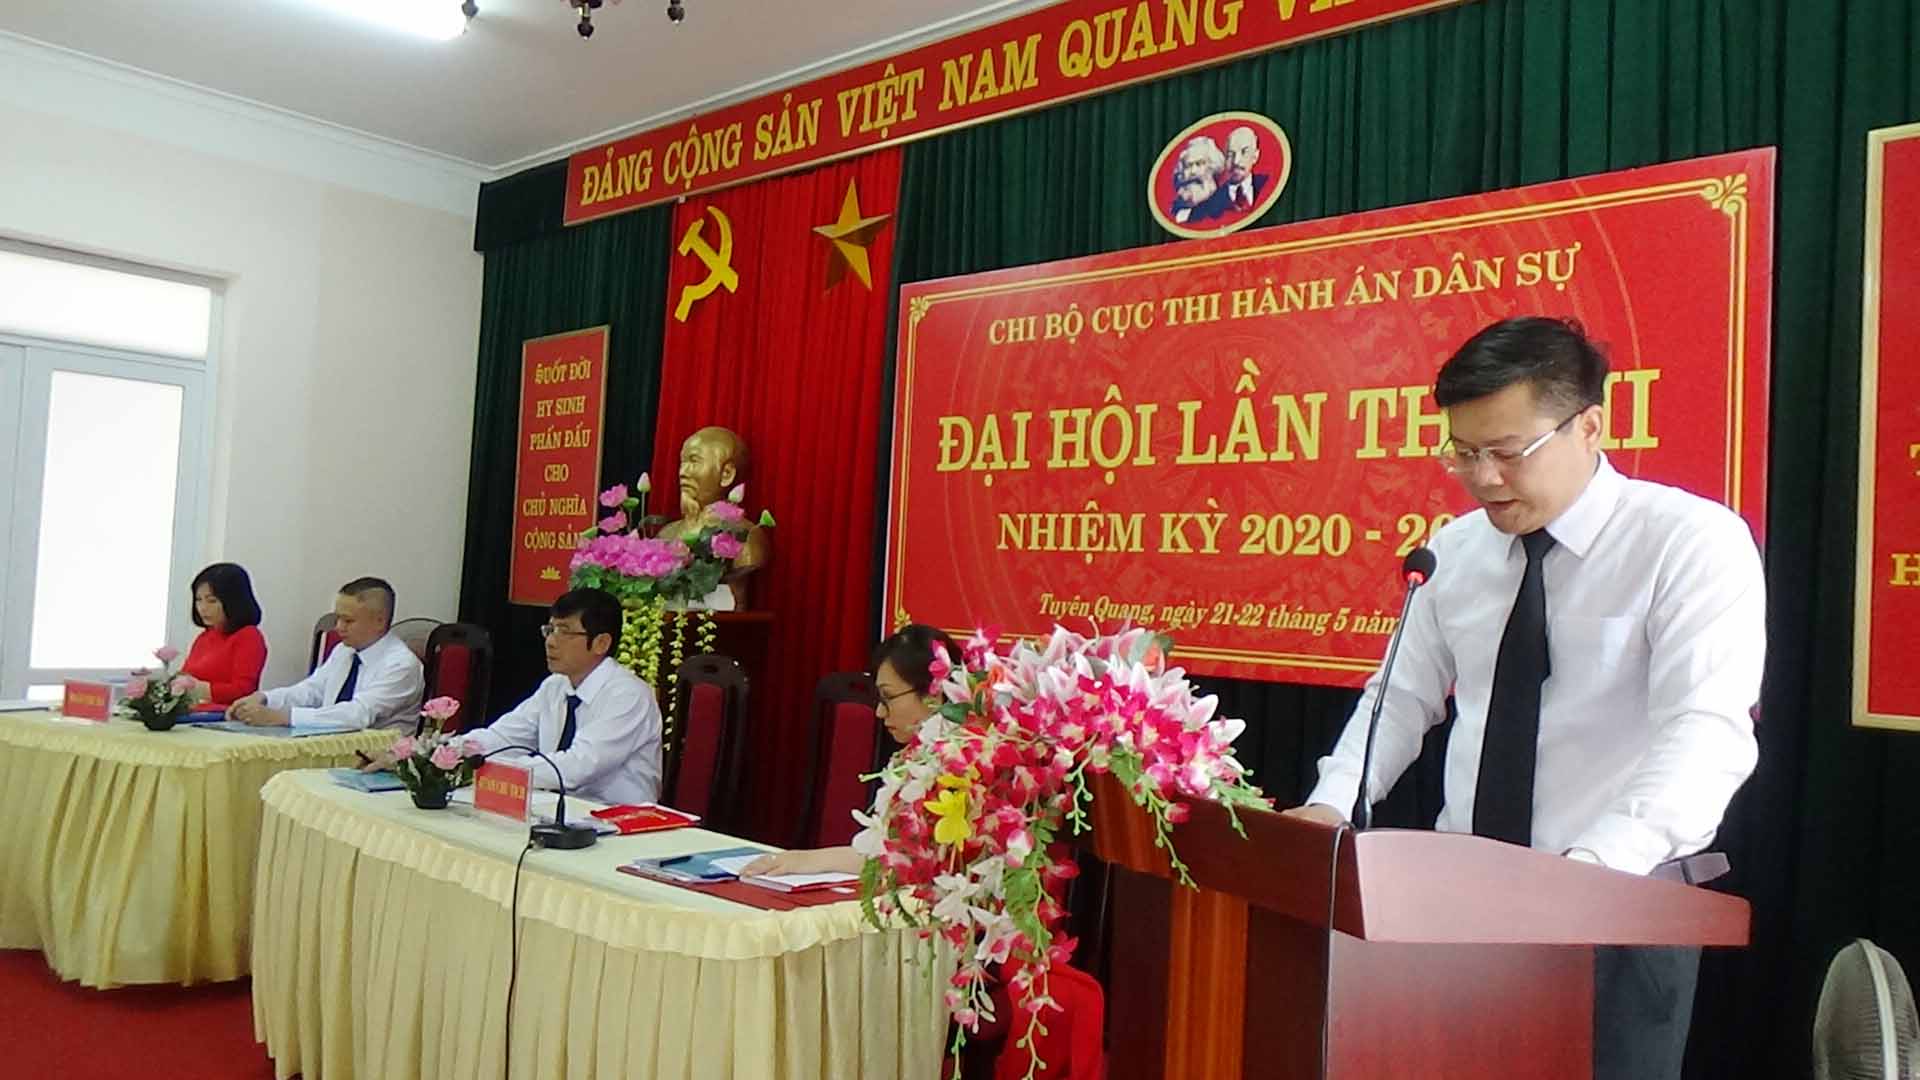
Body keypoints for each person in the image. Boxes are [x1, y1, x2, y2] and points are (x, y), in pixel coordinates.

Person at [1286, 316, 1765, 1080]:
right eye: (1464, 452)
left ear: (1589, 427)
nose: (1484, 479)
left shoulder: (1689, 542)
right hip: (1458, 908)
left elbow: (1706, 731)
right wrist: (1332, 805)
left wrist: (1587, 871)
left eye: (1508, 453)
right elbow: (1399, 699)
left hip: (1619, 908)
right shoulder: (1454, 552)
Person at [740, 623, 958, 878]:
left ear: (935, 693)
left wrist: (809, 860)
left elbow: (915, 862)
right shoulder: (913, 756)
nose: (879, 712)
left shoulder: (965, 768)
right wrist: (804, 860)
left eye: (888, 697)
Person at [459, 587, 662, 805]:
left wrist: (493, 769)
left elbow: (577, 766)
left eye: (564, 632)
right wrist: (452, 751)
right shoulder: (556, 685)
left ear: (601, 643)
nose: (550, 641)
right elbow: (504, 737)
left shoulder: (628, 695)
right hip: (558, 807)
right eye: (550, 630)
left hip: (616, 815)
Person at [229, 576, 423, 731]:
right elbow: (312, 691)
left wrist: (282, 717)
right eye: (337, 618)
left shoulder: (401, 665)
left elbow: (358, 714)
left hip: (378, 756)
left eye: (348, 621)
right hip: (330, 744)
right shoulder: (344, 651)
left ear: (379, 621)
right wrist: (264, 698)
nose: (338, 627)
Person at [180, 562, 268, 707]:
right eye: (198, 600)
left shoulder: (249, 636)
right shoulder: (204, 637)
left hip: (225, 714)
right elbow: (185, 676)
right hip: (194, 711)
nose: (202, 608)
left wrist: (201, 689)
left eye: (212, 601)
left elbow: (244, 690)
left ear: (233, 601)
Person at [1168, 135, 1229, 225]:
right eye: (1188, 166)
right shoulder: (1173, 212)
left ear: (1213, 167)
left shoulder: (1224, 207)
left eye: (1199, 164)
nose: (1193, 171)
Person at [1219, 125, 1270, 215]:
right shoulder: (1211, 203)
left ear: (1255, 156)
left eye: (1244, 152)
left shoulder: (1267, 184)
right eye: (1230, 154)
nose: (1236, 161)